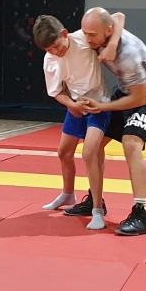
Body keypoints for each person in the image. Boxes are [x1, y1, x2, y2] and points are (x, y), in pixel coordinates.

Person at [79, 7, 146, 236]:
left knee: (131, 142)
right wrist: (111, 43)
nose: (87, 40)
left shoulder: (130, 55)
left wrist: (103, 107)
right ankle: (95, 201)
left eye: (92, 35)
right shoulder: (107, 31)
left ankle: (141, 214)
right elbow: (118, 16)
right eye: (85, 33)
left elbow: (140, 98)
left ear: (107, 31)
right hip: (126, 91)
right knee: (93, 144)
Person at [32, 15, 113, 230]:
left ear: (65, 34)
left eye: (57, 46)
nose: (55, 52)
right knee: (64, 152)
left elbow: (113, 24)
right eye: (49, 50)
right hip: (76, 106)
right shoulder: (50, 60)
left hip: (99, 105)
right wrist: (71, 104)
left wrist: (111, 46)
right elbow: (56, 91)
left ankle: (97, 209)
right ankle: (68, 194)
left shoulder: (84, 40)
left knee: (90, 152)